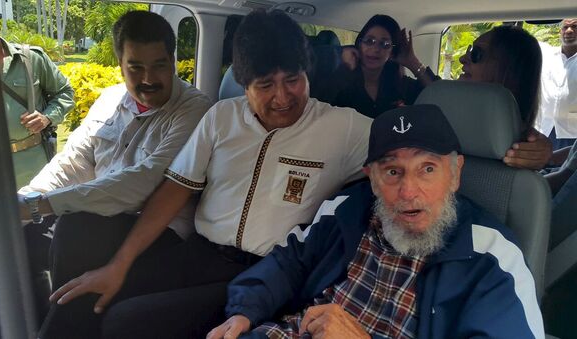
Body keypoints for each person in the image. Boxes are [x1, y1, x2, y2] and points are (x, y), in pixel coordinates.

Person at [41, 9, 371, 339]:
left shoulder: (343, 128)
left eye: (293, 80)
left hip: (264, 275)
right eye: (266, 85)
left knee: (125, 322)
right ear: (243, 85)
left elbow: (409, 148)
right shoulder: (221, 117)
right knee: (91, 293)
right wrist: (119, 264)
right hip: (198, 253)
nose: (282, 97)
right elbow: (174, 190)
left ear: (307, 73)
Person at [208, 104, 544, 339]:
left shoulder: (494, 257)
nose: (408, 191)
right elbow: (290, 261)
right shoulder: (348, 208)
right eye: (392, 171)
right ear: (371, 177)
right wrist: (245, 310)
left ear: (455, 174)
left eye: (428, 169)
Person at [15, 10, 212, 333]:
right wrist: (25, 202)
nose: (148, 79)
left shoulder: (195, 110)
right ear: (120, 65)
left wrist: (41, 206)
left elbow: (142, 182)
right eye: (136, 67)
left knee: (76, 228)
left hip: (156, 230)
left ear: (173, 61)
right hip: (97, 216)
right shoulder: (109, 100)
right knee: (21, 238)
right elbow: (74, 160)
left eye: (159, 65)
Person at [0, 15, 75, 188]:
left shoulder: (30, 58)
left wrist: (46, 117)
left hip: (33, 165)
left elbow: (65, 92)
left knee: (38, 213)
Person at [457, 24, 552, 170]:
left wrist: (538, 150)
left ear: (509, 69)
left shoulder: (518, 144)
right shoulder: (445, 107)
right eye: (469, 51)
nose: (462, 59)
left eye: (476, 53)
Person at [317, 14, 437, 119]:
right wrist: (343, 69)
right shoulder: (341, 78)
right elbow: (318, 105)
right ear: (359, 44)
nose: (375, 49)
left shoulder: (399, 84)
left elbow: (440, 96)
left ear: (391, 52)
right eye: (369, 41)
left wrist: (412, 62)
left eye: (384, 44)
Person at [536, 18, 577, 151]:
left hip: (572, 133)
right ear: (560, 31)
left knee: (569, 170)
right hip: (542, 130)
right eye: (565, 27)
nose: (569, 31)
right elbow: (518, 40)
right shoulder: (545, 53)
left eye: (575, 27)